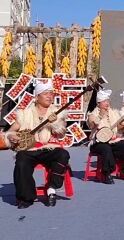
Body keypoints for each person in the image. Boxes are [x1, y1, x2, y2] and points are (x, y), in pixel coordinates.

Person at [4, 80, 70, 208]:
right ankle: (26, 198)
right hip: (29, 150)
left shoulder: (57, 113)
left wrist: (55, 124)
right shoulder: (24, 114)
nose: (49, 96)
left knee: (63, 154)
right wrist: (12, 136)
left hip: (48, 149)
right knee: (21, 160)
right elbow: (10, 131)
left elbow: (62, 134)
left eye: (51, 93)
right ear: (37, 97)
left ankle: (51, 188)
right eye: (45, 93)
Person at [88, 89, 124, 183]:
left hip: (112, 140)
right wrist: (100, 116)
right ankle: (106, 173)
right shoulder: (93, 114)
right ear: (98, 103)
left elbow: (119, 127)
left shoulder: (113, 113)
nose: (107, 103)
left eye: (108, 101)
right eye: (104, 101)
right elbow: (91, 125)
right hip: (98, 143)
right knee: (106, 148)